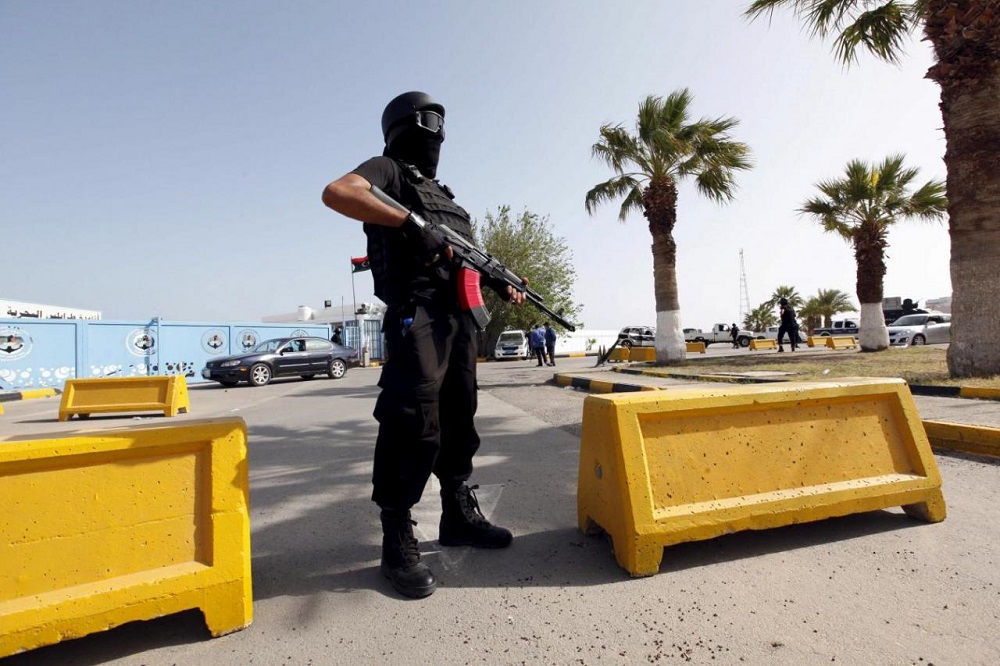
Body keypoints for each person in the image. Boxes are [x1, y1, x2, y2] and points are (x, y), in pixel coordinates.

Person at [321, 91, 526, 599]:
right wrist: (412, 222)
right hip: (417, 314)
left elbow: (458, 256)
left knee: (460, 416)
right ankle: (396, 535)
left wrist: (496, 278)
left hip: (457, 321)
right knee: (412, 419)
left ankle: (457, 514)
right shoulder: (388, 171)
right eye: (430, 119)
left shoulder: (447, 198)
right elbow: (337, 192)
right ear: (406, 124)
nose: (438, 132)